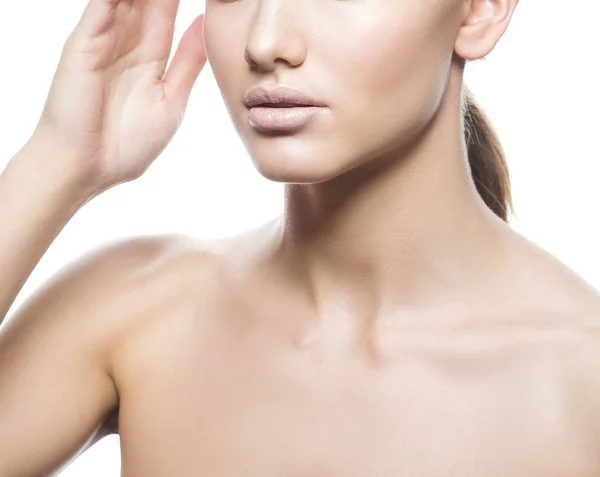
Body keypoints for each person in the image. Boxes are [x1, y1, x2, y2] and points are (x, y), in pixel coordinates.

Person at [1, 0, 600, 475]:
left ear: (479, 9)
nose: (266, 42)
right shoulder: (136, 315)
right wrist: (55, 163)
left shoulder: (581, 381)